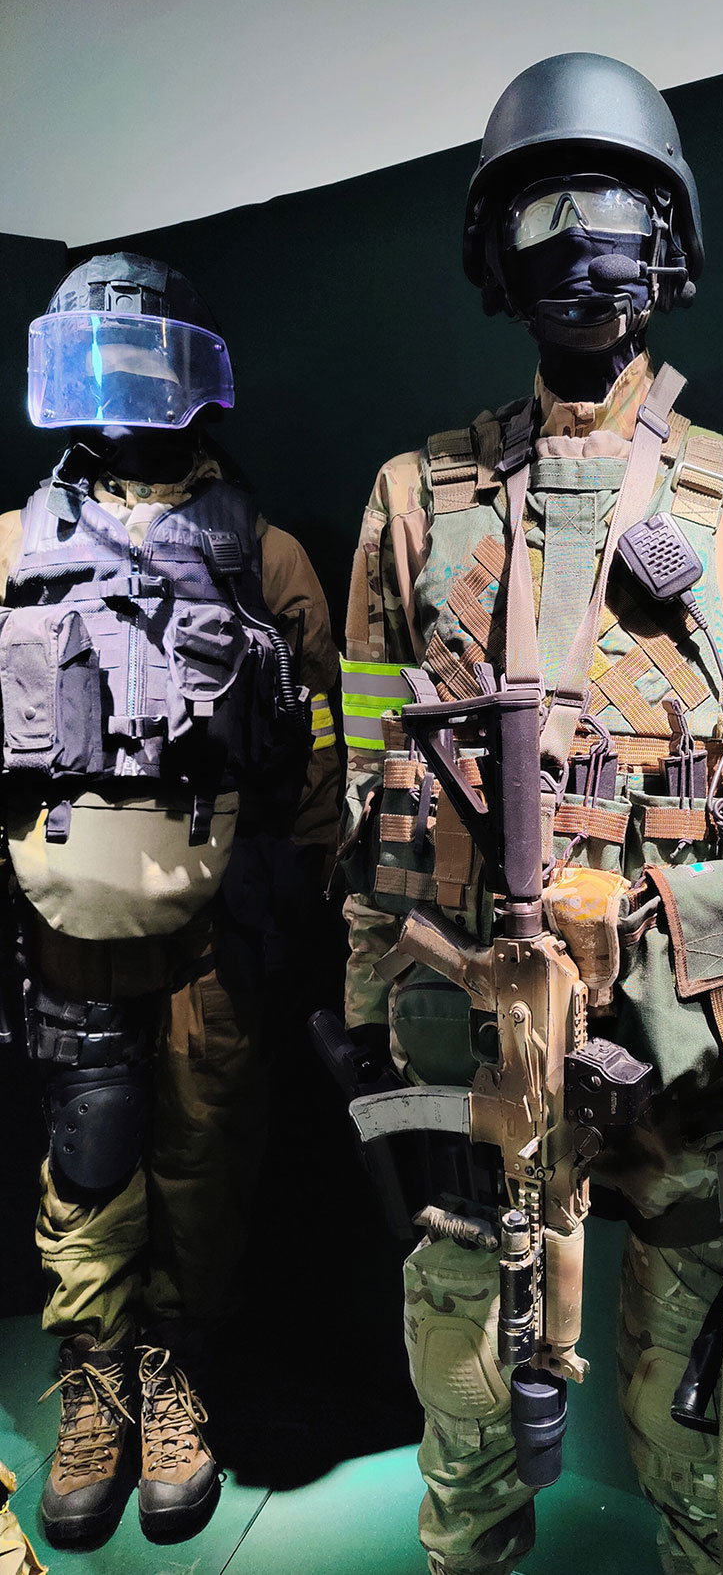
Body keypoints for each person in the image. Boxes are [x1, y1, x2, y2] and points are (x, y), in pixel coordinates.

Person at [340, 55, 723, 1575]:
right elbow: (370, 764)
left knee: (704, 1407)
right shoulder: (414, 502)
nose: (583, 247)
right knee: (467, 1386)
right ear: (495, 255)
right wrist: (370, 987)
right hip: (477, 1010)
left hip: (691, 1008)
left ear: (670, 239)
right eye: (543, 215)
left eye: (617, 209)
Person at [0, 252, 339, 1548]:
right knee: (88, 1154)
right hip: (65, 922)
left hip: (217, 927)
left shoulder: (267, 556)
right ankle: (93, 1381)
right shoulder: (14, 549)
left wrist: (311, 893)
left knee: (206, 1158)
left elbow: (326, 752)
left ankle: (173, 1373)